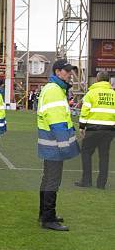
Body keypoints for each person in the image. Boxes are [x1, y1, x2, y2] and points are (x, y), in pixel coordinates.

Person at [37, 59, 80, 231]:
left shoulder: (54, 89)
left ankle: (45, 214)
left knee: (48, 179)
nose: (69, 74)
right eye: (66, 71)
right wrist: (65, 145)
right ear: (57, 72)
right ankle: (48, 218)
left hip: (49, 143)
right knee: (53, 180)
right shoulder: (55, 91)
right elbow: (57, 121)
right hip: (54, 144)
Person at [76, 71, 114, 189]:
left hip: (93, 128)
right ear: (108, 81)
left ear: (96, 80)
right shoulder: (113, 93)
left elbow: (84, 111)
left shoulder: (91, 93)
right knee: (104, 155)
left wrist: (82, 127)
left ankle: (86, 181)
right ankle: (101, 183)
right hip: (109, 129)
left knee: (86, 152)